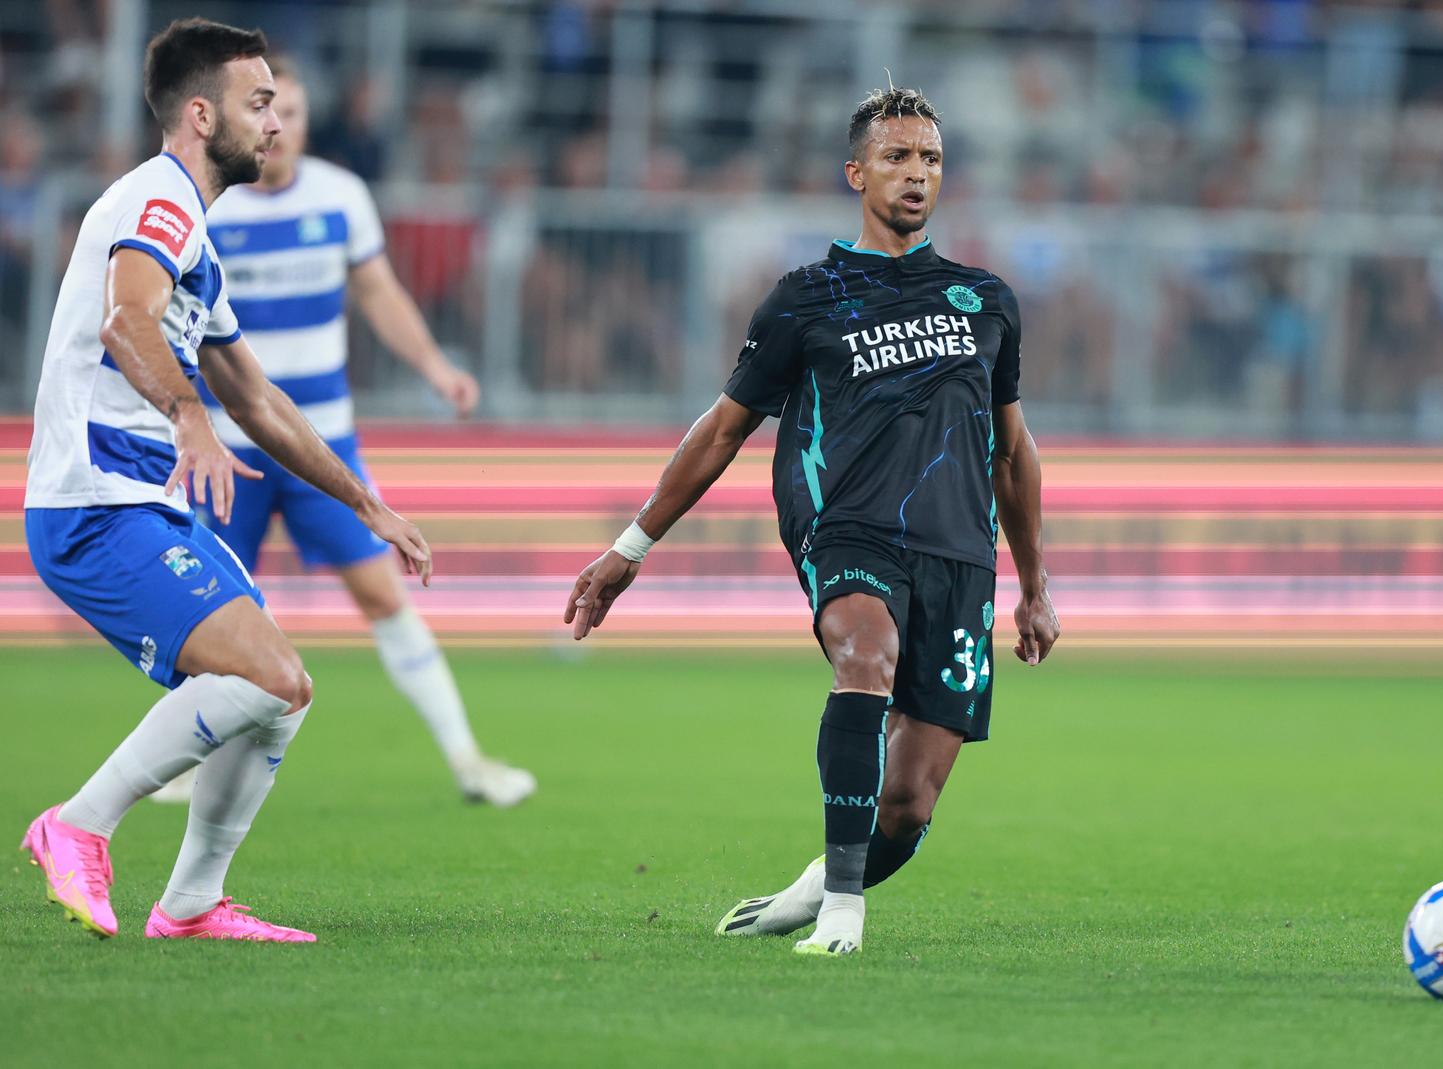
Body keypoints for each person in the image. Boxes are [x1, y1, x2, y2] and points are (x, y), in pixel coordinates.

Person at [563, 86, 1060, 956]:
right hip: (849, 531)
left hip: (959, 553)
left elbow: (1012, 452)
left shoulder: (985, 301)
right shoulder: (806, 297)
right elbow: (722, 428)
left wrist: (1035, 586)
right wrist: (630, 546)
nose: (917, 174)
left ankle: (812, 888)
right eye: (898, 157)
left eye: (932, 159)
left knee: (908, 806)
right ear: (855, 171)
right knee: (865, 658)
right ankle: (844, 914)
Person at [19, 17, 432, 943]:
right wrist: (188, 416)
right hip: (95, 504)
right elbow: (128, 325)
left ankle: (193, 903)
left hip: (139, 503)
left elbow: (256, 394)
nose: (276, 123)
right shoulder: (157, 203)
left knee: (284, 691)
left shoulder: (194, 238)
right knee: (264, 675)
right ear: (201, 115)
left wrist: (367, 501)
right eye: (258, 104)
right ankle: (76, 824)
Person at [150, 55, 533, 808]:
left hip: (323, 448)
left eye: (288, 112)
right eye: (264, 111)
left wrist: (434, 368)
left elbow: (380, 292)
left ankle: (467, 758)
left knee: (385, 595)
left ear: (304, 120)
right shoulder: (209, 206)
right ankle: (187, 760)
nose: (277, 127)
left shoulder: (341, 196)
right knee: (210, 616)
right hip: (231, 451)